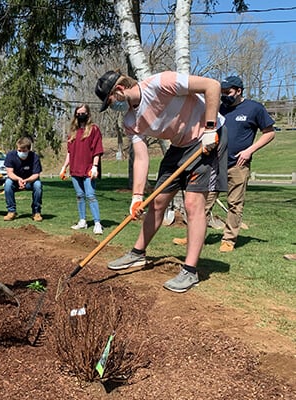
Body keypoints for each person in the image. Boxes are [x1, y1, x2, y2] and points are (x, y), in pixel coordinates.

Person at [95, 70, 227, 293]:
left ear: (119, 90)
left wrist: (210, 127)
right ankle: (137, 254)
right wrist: (137, 197)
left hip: (208, 138)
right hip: (179, 147)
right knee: (156, 202)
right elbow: (141, 156)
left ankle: (190, 271)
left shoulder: (160, 84)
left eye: (110, 102)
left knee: (193, 205)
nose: (113, 108)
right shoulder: (130, 121)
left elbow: (212, 85)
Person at [173, 76, 275, 252]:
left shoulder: (254, 108)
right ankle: (193, 237)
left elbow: (269, 132)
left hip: (238, 165)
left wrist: (250, 150)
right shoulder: (218, 109)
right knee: (203, 203)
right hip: (214, 164)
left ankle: (229, 239)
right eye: (222, 92)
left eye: (228, 92)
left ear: (239, 91)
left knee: (235, 204)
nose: (224, 96)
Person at [59, 104, 104, 235]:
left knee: (90, 195)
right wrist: (64, 167)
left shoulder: (94, 130)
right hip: (75, 169)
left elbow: (97, 150)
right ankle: (82, 220)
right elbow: (69, 152)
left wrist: (95, 166)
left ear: (88, 114)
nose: (80, 115)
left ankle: (97, 223)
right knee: (79, 196)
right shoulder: (73, 132)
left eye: (83, 113)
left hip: (89, 168)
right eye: (78, 113)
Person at [3, 136, 43, 222]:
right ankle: (11, 211)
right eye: (19, 150)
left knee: (38, 185)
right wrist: (18, 179)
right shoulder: (11, 155)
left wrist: (26, 180)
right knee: (8, 184)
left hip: (30, 181)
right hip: (15, 181)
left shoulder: (34, 157)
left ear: (29, 149)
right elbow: (9, 172)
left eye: (24, 151)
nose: (21, 152)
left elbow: (36, 174)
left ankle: (36, 212)